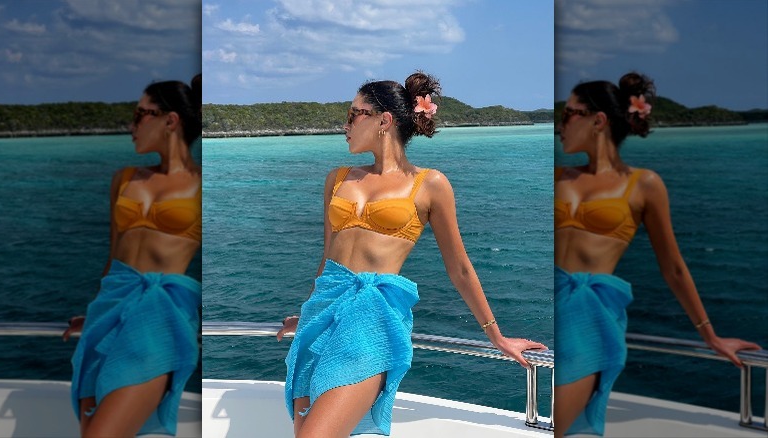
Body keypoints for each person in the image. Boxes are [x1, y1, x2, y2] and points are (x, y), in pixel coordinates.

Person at [275, 71, 548, 438]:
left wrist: (496, 335)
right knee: (304, 430)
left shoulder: (430, 184)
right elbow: (328, 260)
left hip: (372, 321)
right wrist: (308, 312)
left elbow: (460, 269)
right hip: (321, 313)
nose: (346, 124)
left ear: (384, 120)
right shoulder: (338, 179)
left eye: (355, 113)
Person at [553, 72, 762, 437]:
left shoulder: (643, 184)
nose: (561, 124)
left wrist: (710, 336)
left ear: (598, 120)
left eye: (569, 113)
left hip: (590, 316)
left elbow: (674, 268)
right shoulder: (557, 176)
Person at [62, 76, 202, 437]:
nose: (132, 124)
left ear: (170, 120)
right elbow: (113, 257)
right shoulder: (123, 179)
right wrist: (94, 309)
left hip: (160, 316)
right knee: (91, 428)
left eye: (141, 114)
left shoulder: (204, 184)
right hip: (109, 308)